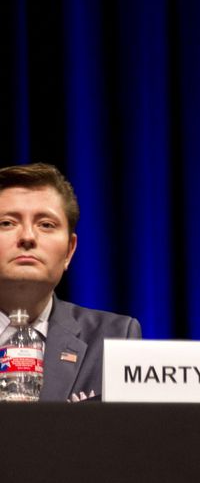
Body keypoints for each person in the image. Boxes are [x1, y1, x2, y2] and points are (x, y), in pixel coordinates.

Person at [0, 163, 142, 402]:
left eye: (46, 224)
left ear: (69, 250)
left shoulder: (114, 338)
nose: (27, 237)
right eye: (6, 223)